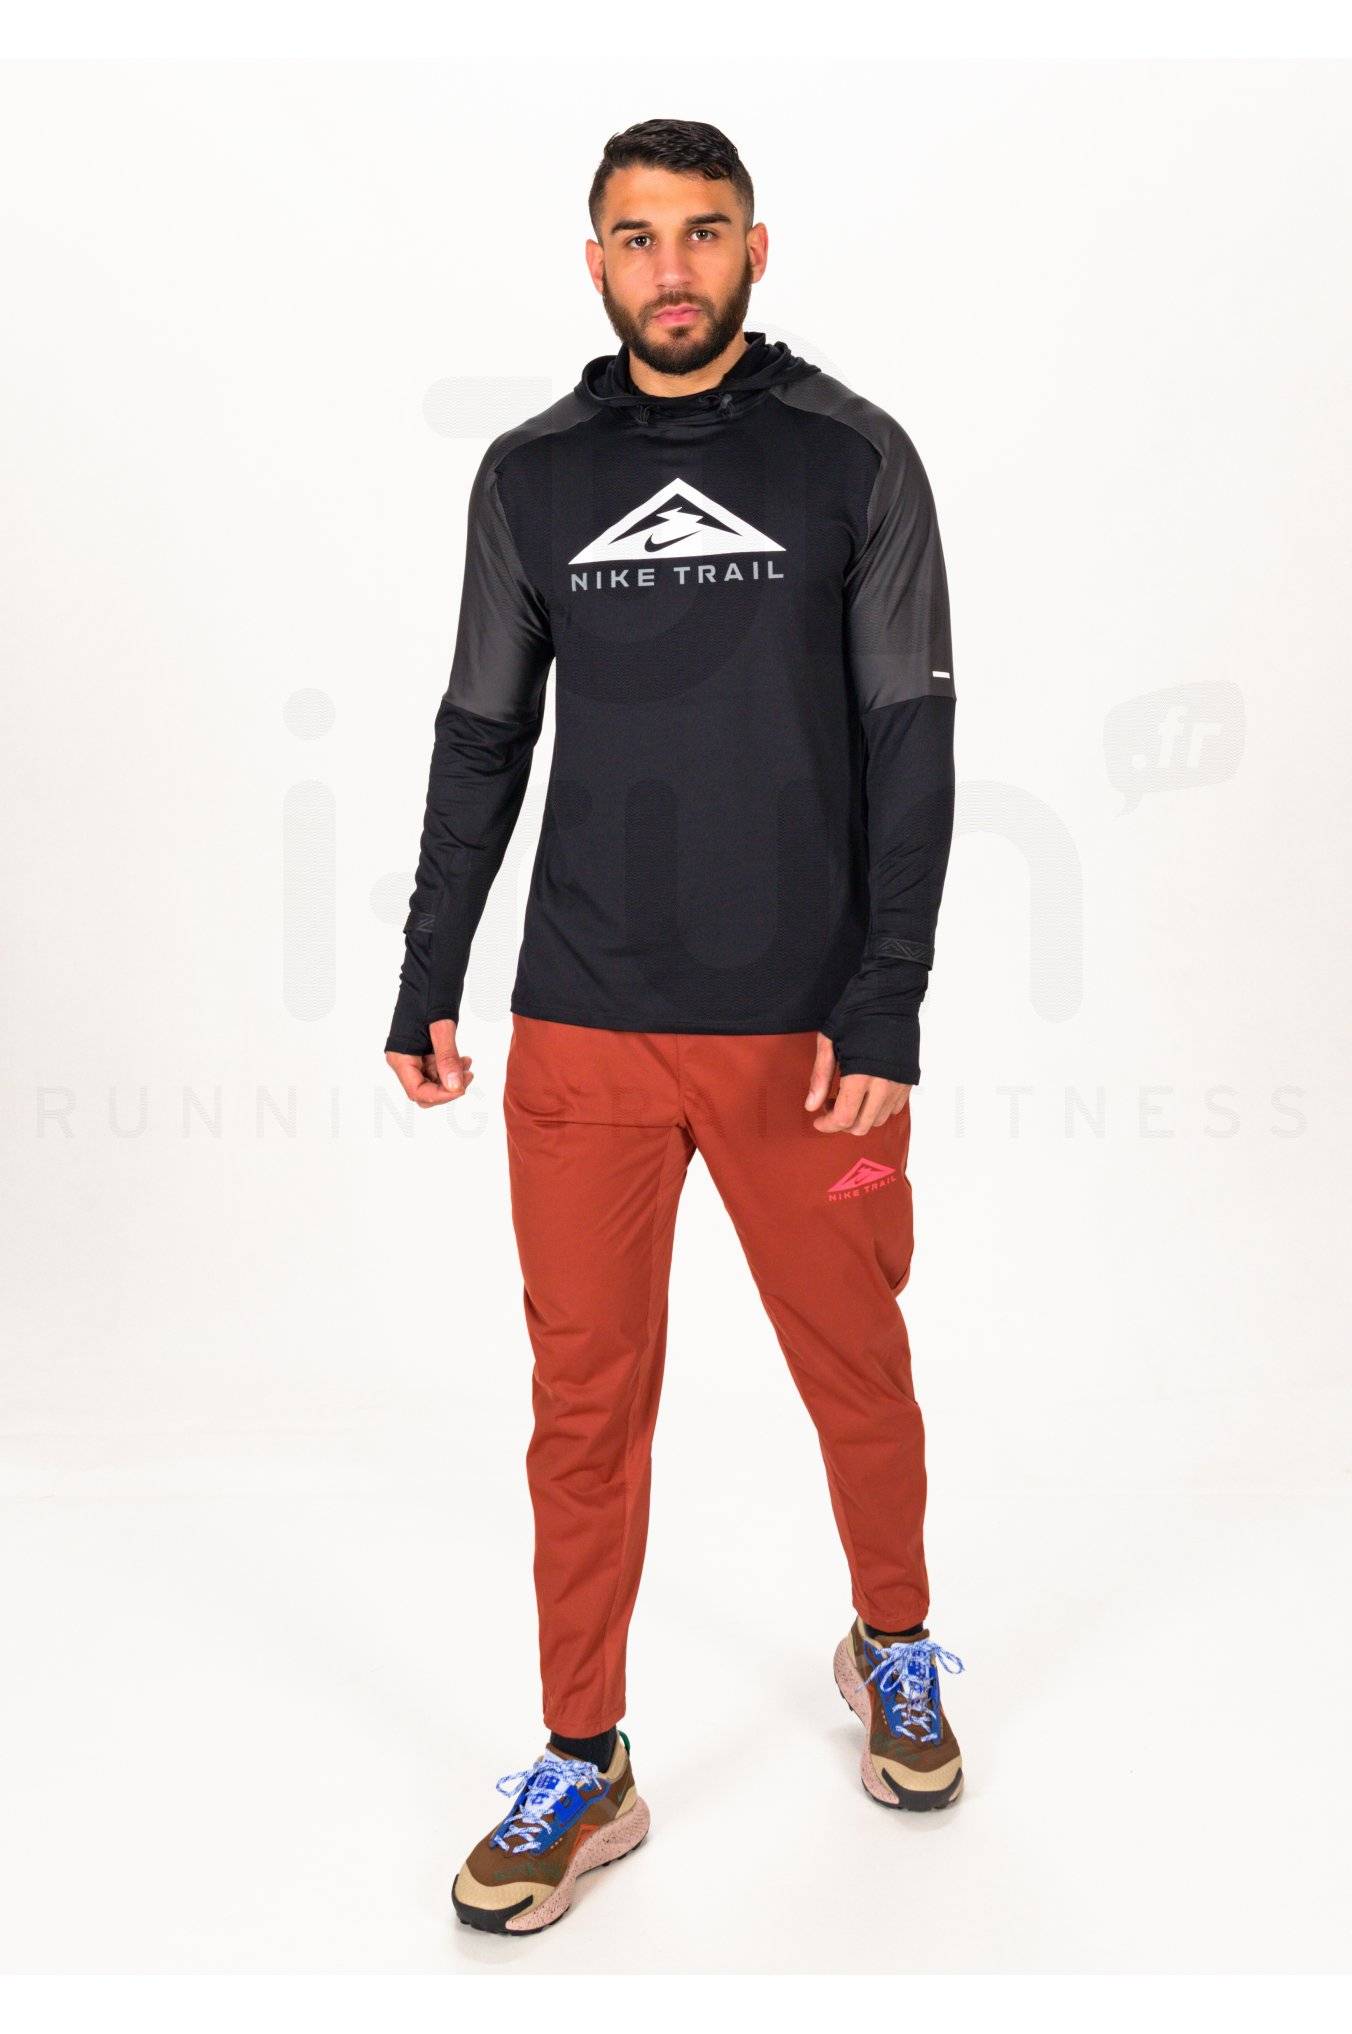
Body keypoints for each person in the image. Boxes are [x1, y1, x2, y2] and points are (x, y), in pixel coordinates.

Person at [385, 117, 965, 1936]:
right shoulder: (533, 477)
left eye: (704, 233)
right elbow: (483, 733)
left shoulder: (851, 457)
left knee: (855, 1358)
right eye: (638, 237)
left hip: (807, 1036)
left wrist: (886, 1001)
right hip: (585, 1027)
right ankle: (586, 1759)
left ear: (756, 249)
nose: (672, 268)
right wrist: (427, 969)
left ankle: (893, 1639)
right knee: (584, 1401)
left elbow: (913, 741)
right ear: (595, 263)